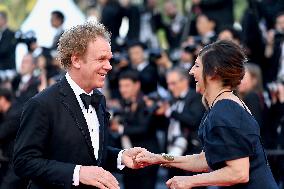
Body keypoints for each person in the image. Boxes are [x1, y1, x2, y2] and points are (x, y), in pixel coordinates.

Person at [13, 21, 146, 189]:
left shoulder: (99, 99)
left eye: (109, 59)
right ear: (76, 60)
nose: (109, 66)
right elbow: (24, 162)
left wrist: (121, 156)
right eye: (101, 59)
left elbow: (92, 153)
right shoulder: (41, 104)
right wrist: (77, 173)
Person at [135, 40, 279, 189]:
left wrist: (189, 181)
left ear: (213, 72)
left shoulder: (226, 109)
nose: (191, 71)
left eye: (197, 65)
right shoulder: (223, 105)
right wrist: (158, 158)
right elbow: (203, 160)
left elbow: (239, 172)